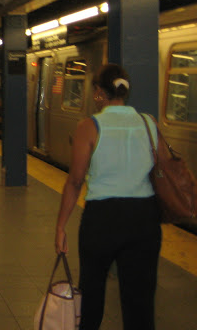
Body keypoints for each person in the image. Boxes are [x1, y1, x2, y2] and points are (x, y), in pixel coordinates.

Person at [54, 63, 163, 330]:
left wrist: (61, 226)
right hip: (144, 219)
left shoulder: (89, 126)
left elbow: (75, 181)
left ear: (98, 92)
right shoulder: (149, 123)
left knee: (91, 296)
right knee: (140, 302)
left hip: (102, 219)